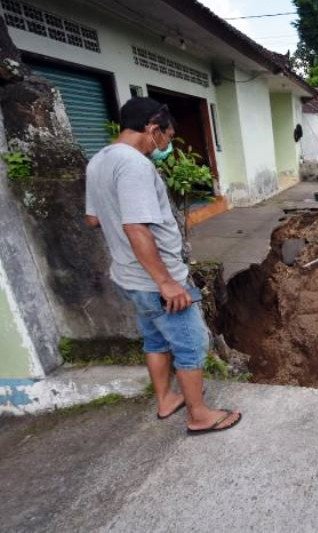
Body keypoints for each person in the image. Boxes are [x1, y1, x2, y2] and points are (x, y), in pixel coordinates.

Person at [85, 97, 242, 435]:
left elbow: (93, 218)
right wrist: (166, 282)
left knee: (155, 340)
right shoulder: (135, 166)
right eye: (168, 138)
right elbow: (136, 227)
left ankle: (166, 400)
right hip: (157, 280)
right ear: (152, 129)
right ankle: (199, 415)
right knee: (191, 343)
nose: (167, 146)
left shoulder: (97, 162)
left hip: (129, 276)